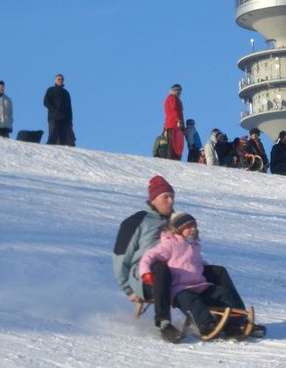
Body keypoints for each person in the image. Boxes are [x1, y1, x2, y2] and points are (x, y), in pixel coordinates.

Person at [112, 176, 262, 342]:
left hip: (178, 269)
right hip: (145, 276)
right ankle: (164, 323)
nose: (171, 201)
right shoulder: (137, 221)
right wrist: (128, 289)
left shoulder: (177, 221)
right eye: (165, 197)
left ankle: (237, 319)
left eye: (172, 197)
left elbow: (189, 249)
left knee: (218, 271)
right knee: (161, 268)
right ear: (153, 200)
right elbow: (119, 257)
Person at [139, 212, 252, 339]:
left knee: (223, 293)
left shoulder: (194, 245)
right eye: (189, 226)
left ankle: (233, 324)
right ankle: (206, 324)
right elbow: (149, 256)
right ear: (179, 229)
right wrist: (145, 272)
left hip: (200, 285)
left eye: (195, 226)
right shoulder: (170, 244)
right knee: (193, 302)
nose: (193, 229)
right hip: (180, 289)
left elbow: (198, 263)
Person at [43, 73, 74, 145]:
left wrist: (70, 120)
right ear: (55, 80)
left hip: (64, 119)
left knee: (64, 138)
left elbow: (69, 108)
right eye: (59, 79)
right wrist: (54, 110)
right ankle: (48, 151)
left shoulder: (66, 93)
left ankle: (62, 154)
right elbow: (45, 102)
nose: (60, 81)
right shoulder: (50, 90)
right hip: (53, 117)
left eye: (62, 79)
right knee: (52, 136)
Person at [163, 84, 185, 160]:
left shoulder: (172, 98)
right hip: (174, 124)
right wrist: (178, 120)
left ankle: (174, 157)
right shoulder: (172, 98)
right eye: (178, 91)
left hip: (172, 124)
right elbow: (174, 110)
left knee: (174, 143)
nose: (180, 93)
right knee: (173, 143)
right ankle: (171, 158)